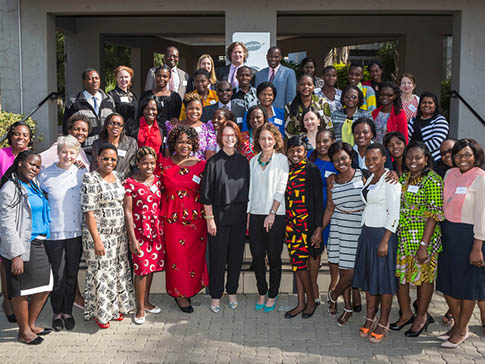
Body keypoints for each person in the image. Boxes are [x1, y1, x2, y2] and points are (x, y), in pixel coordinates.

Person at [390, 141, 443, 337]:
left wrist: (424, 245)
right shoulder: (404, 178)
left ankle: (422, 316)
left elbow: (434, 214)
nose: (413, 161)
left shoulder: (433, 180)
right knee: (402, 278)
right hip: (403, 238)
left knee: (424, 279)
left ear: (426, 159)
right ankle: (405, 314)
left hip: (423, 239)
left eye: (417, 157)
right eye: (409, 157)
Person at [436, 139, 485, 348]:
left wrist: (477, 247)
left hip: (470, 236)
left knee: (467, 287)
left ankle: (462, 329)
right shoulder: (450, 174)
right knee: (448, 284)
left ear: (475, 156)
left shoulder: (481, 178)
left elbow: (483, 214)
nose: (462, 159)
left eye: (467, 155)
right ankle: (457, 325)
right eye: (458, 155)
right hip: (448, 234)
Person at [81, 144, 135, 328]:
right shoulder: (90, 178)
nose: (109, 162)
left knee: (117, 271)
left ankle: (114, 308)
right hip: (99, 235)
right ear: (98, 159)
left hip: (118, 235)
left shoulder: (119, 177)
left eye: (113, 159)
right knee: (102, 273)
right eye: (105, 158)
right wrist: (97, 240)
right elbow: (89, 212)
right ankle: (101, 313)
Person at [0, 151, 52, 345]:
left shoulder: (33, 184)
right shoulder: (10, 189)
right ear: (20, 163)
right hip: (21, 246)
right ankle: (23, 331)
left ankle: (30, 324)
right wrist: (15, 255)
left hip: (39, 242)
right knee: (20, 290)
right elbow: (6, 225)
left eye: (37, 167)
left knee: (45, 286)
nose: (34, 169)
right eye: (31, 164)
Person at [352, 143, 401, 343]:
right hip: (367, 233)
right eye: (368, 158)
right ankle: (370, 317)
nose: (371, 161)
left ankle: (383, 321)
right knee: (370, 280)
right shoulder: (371, 177)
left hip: (383, 235)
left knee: (384, 282)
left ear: (384, 159)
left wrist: (385, 241)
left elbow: (395, 214)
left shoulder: (391, 181)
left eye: (375, 158)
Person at [157, 126, 208, 313]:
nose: (184, 145)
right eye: (180, 141)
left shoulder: (202, 165)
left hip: (196, 221)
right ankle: (180, 294)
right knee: (176, 259)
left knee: (193, 259)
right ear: (173, 144)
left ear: (193, 143)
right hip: (172, 220)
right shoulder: (163, 164)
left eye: (188, 142)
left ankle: (191, 289)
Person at [200, 121, 250, 313]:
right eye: (226, 135)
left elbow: (249, 191)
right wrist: (209, 218)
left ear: (237, 138)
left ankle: (232, 292)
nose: (229, 138)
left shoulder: (243, 162)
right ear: (220, 138)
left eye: (233, 135)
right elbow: (206, 194)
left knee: (236, 258)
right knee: (218, 259)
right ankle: (215, 295)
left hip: (238, 217)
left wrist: (247, 216)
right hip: (218, 219)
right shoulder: (213, 162)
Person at [38, 136, 86, 332]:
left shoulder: (82, 173)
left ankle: (68, 312)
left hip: (75, 232)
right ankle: (57, 313)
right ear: (58, 153)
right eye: (64, 152)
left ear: (77, 154)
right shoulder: (45, 175)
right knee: (57, 275)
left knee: (71, 274)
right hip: (54, 233)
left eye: (72, 152)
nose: (68, 156)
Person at [248, 123, 289, 313]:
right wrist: (249, 215)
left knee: (274, 257)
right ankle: (262, 291)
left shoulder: (282, 160)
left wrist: (272, 212)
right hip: (256, 215)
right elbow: (249, 190)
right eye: (263, 138)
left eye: (270, 138)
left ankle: (273, 294)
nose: (266, 141)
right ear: (258, 141)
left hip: (276, 215)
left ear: (275, 140)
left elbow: (281, 188)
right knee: (257, 256)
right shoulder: (253, 161)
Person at [324, 142, 366, 325]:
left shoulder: (363, 176)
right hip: (339, 226)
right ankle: (347, 307)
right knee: (343, 270)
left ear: (351, 158)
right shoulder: (332, 179)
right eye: (336, 160)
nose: (340, 162)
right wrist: (319, 229)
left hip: (357, 227)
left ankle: (333, 295)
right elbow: (330, 207)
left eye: (343, 158)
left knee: (350, 272)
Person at [123, 147, 164, 325]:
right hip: (139, 232)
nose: (149, 166)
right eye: (145, 163)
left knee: (151, 267)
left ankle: (146, 302)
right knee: (141, 270)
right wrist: (132, 239)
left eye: (152, 163)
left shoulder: (158, 181)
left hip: (156, 231)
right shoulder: (130, 183)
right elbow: (128, 212)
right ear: (138, 164)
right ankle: (139, 307)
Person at [283, 136, 323, 319]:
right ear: (287, 153)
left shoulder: (311, 169)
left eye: (299, 150)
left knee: (301, 265)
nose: (296, 154)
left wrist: (318, 228)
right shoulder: (288, 170)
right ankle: (301, 302)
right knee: (297, 265)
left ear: (305, 152)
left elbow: (317, 200)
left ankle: (311, 300)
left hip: (307, 225)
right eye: (292, 151)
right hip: (291, 225)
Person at [0, 121, 33, 323]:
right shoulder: (2, 154)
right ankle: (7, 300)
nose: (21, 137)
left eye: (25, 135)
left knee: (20, 258)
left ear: (30, 139)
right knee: (5, 261)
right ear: (11, 136)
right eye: (17, 134)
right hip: (4, 212)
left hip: (24, 216)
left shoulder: (29, 157)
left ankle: (19, 298)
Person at [308, 129, 337, 304]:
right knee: (314, 251)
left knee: (334, 254)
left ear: (332, 141)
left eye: (326, 141)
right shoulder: (311, 160)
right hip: (314, 215)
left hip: (334, 216)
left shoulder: (338, 161)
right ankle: (313, 287)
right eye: (319, 142)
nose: (322, 145)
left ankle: (334, 288)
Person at [62, 68, 116, 144]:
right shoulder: (74, 102)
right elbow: (66, 127)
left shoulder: (109, 100)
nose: (94, 81)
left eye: (97, 78)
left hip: (105, 148)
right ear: (84, 82)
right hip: (84, 149)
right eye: (90, 79)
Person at [167, 93, 217, 161]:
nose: (194, 112)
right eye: (191, 108)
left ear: (202, 110)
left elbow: (210, 157)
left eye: (197, 109)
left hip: (199, 169)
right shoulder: (174, 127)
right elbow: (168, 152)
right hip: (176, 168)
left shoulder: (208, 129)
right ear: (185, 109)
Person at [91, 113, 138, 180]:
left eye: (119, 124)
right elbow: (94, 167)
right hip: (102, 182)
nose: (115, 126)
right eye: (112, 123)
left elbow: (134, 167)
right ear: (106, 126)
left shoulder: (131, 143)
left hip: (123, 183)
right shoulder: (97, 144)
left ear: (122, 127)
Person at [408, 92, 449, 161]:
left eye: (430, 103)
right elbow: (406, 138)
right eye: (424, 102)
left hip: (433, 161)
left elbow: (437, 142)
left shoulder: (440, 120)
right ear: (420, 105)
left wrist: (417, 152)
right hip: (413, 159)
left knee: (429, 172)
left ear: (435, 106)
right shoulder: (412, 120)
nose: (426, 105)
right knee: (406, 172)